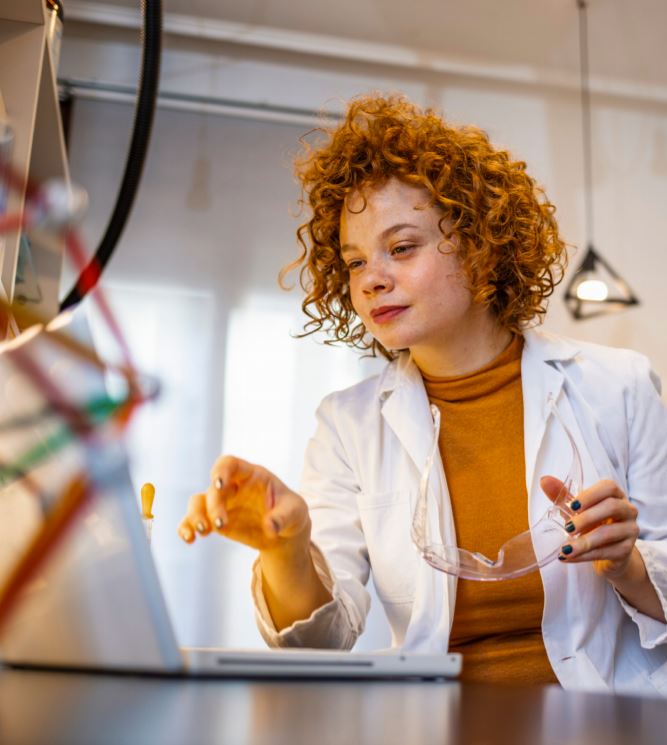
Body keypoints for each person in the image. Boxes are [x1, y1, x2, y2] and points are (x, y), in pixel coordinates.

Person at [178, 95, 667, 693]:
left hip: (607, 722)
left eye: (401, 247)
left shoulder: (619, 386)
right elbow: (321, 642)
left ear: (481, 245)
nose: (372, 278)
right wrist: (287, 549)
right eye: (355, 262)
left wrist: (628, 564)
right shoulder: (347, 425)